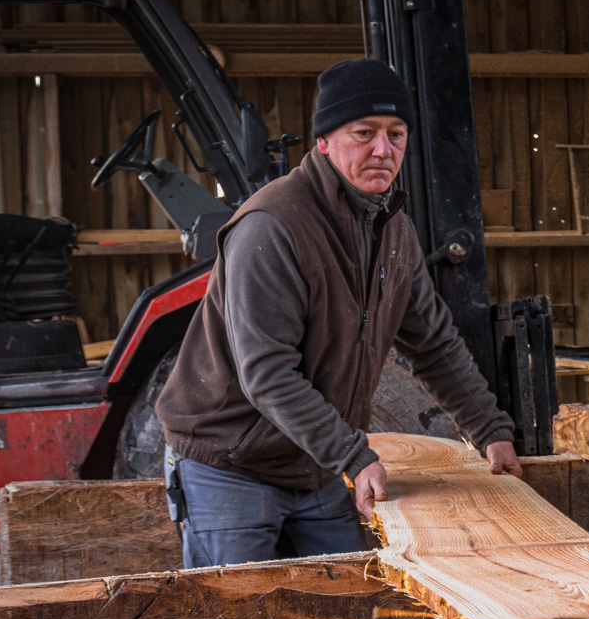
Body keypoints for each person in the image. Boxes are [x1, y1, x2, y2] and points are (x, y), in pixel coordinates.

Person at [156, 57, 520, 568]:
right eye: (364, 132)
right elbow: (266, 373)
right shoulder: (271, 225)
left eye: (396, 133)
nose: (382, 149)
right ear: (323, 141)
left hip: (314, 467)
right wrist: (353, 455)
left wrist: (490, 430)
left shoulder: (394, 232)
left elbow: (434, 344)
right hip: (231, 465)